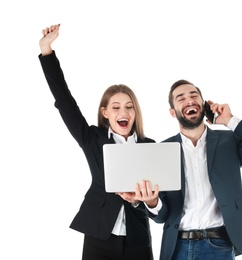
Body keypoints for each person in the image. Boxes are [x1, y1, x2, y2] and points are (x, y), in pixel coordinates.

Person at [38, 24, 155, 260]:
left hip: (138, 238)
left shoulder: (150, 146)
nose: (124, 112)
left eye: (129, 106)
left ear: (135, 112)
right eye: (116, 107)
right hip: (99, 235)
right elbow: (65, 101)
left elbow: (159, 196)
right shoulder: (93, 139)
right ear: (105, 113)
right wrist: (47, 52)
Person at [132, 79, 242, 259]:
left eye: (194, 95)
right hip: (177, 247)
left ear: (203, 104)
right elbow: (162, 216)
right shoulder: (162, 150)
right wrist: (153, 202)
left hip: (218, 246)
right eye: (181, 98)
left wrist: (229, 120)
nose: (189, 100)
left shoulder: (228, 142)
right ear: (172, 112)